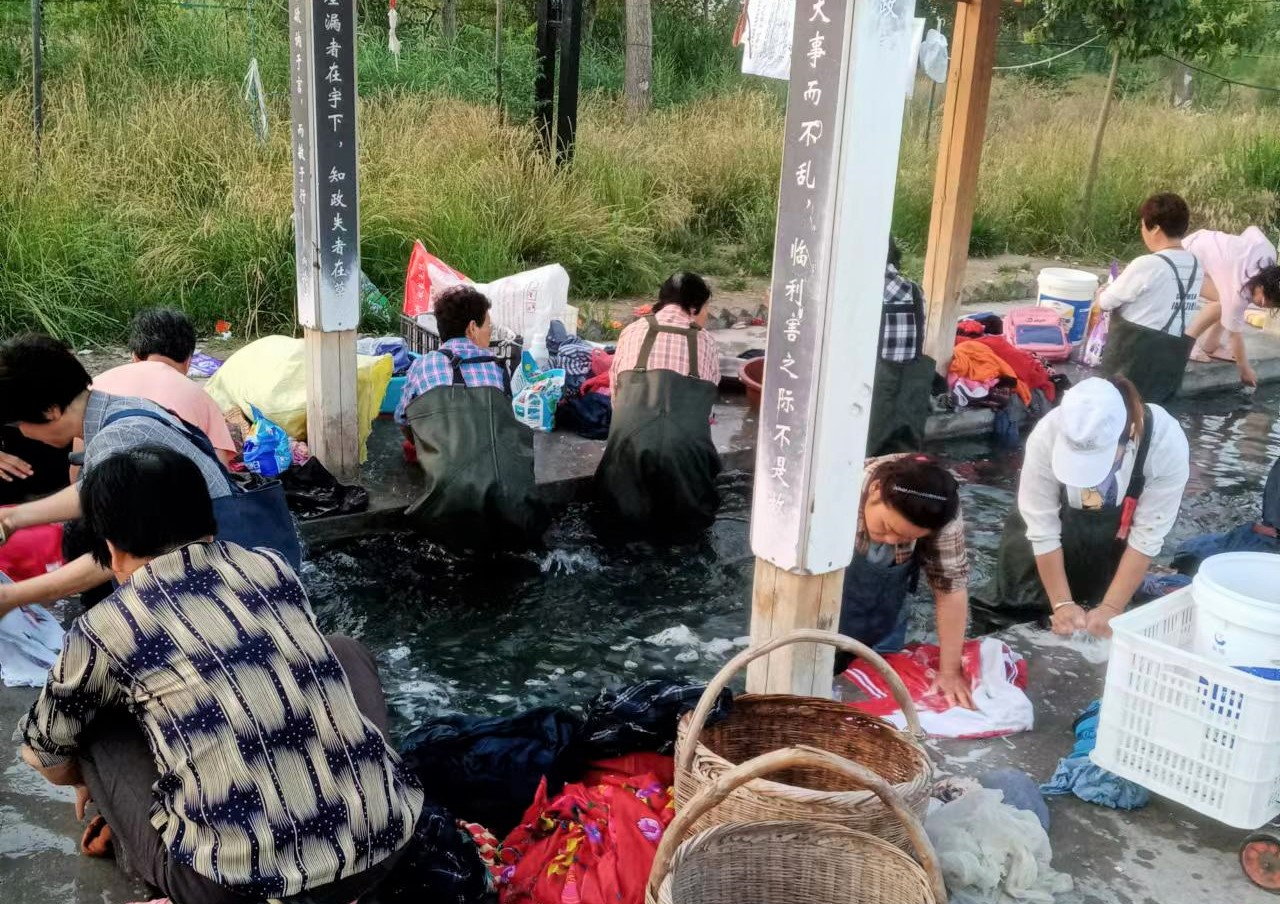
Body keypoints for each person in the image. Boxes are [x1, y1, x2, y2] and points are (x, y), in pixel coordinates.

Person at [17, 446, 422, 904]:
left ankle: (139, 849)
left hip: (235, 887)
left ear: (110, 547)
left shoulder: (104, 628)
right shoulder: (271, 567)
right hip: (386, 844)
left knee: (87, 722)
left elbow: (41, 752)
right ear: (208, 520)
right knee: (343, 649)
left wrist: (88, 783)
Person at [0, 334, 301, 617]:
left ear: (51, 411)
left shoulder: (117, 438)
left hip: (221, 587)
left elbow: (121, 559)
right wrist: (13, 519)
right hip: (247, 562)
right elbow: (93, 489)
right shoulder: (125, 408)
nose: (22, 433)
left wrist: (13, 597)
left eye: (17, 424)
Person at [988, 377, 1190, 638]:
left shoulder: (1165, 442)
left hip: (1108, 549)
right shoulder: (1047, 433)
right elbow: (1042, 528)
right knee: (1009, 616)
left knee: (1101, 616)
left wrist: (1111, 607)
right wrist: (1062, 603)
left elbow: (1147, 535)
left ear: (1129, 434)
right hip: (1038, 552)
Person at [397, 285, 547, 547]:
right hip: (504, 496)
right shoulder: (497, 369)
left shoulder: (422, 365)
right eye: (488, 325)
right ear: (472, 328)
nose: (490, 332)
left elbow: (402, 419)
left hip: (445, 500)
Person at [838, 454, 974, 709]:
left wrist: (949, 672)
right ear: (875, 490)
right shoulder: (839, 486)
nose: (891, 540)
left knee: (883, 677)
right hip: (832, 586)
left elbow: (950, 587)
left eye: (904, 537)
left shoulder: (941, 509)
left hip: (887, 601)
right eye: (887, 527)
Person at [597, 272, 722, 533]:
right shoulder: (706, 342)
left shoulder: (631, 332)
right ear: (694, 307)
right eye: (706, 308)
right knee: (686, 537)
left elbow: (617, 401)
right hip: (685, 459)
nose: (706, 316)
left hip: (629, 453)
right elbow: (707, 414)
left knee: (621, 534)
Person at [1097, 193, 1210, 404]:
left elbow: (1105, 302)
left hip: (1133, 360)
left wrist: (1102, 292)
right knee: (1154, 415)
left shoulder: (1147, 264)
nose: (1142, 231)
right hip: (1171, 361)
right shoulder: (1196, 264)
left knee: (1120, 411)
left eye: (1143, 225)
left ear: (1155, 228)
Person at [87, 308, 237, 465]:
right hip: (173, 477)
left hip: (102, 477)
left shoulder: (96, 386)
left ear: (134, 357)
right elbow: (220, 468)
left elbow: (78, 463)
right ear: (188, 361)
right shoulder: (201, 398)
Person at [1183, 226, 1280, 387]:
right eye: (1265, 302)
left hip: (1201, 243)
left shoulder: (1268, 254)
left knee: (1228, 305)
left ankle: (1210, 346)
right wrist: (1245, 370)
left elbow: (1252, 230)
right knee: (1224, 303)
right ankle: (1186, 345)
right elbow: (1235, 336)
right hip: (1184, 261)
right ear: (1262, 289)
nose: (1263, 306)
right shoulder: (1237, 291)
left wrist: (1234, 250)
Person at [868, 238, 937, 457]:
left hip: (874, 395)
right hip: (910, 394)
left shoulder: (865, 292)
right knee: (904, 462)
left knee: (867, 460)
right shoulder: (915, 291)